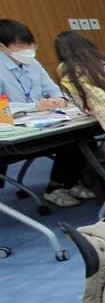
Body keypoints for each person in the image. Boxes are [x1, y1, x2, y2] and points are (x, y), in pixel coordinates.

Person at [0, 19, 93, 208]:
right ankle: (56, 187)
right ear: (2, 46)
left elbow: (52, 89)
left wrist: (61, 99)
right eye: (20, 46)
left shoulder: (32, 64)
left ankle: (73, 182)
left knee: (80, 134)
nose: (27, 49)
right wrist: (36, 106)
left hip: (43, 121)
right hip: (12, 128)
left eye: (30, 44)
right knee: (68, 139)